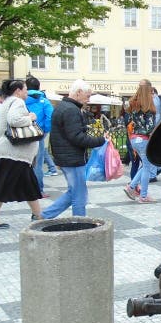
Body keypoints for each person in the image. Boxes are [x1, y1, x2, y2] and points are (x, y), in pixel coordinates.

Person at [41, 79, 107, 219]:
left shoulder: (63, 107)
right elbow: (77, 138)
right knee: (79, 196)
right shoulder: (71, 110)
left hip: (67, 157)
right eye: (87, 96)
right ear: (78, 93)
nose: (88, 100)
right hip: (72, 159)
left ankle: (45, 215)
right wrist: (101, 140)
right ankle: (79, 223)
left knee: (74, 192)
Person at [0, 80, 43, 229]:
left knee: (29, 184)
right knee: (2, 184)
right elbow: (14, 120)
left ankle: (38, 215)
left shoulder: (8, 101)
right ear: (17, 91)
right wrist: (31, 118)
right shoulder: (17, 101)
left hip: (15, 153)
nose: (27, 93)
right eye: (25, 90)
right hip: (13, 152)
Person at [123, 81, 157, 203]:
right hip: (144, 139)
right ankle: (143, 196)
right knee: (147, 167)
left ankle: (131, 187)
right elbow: (150, 128)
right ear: (149, 90)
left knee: (145, 166)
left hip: (134, 139)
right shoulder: (149, 108)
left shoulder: (134, 104)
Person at [25, 76, 54, 197]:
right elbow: (50, 117)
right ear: (39, 87)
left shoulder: (21, 100)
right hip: (38, 134)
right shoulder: (44, 101)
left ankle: (23, 189)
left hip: (23, 134)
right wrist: (45, 130)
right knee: (38, 163)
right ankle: (38, 190)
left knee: (24, 162)